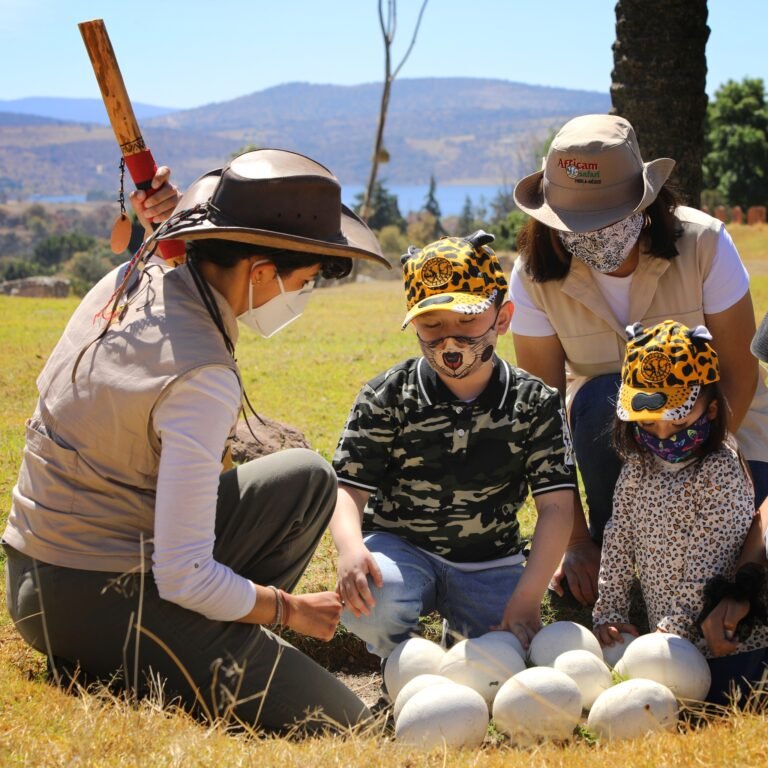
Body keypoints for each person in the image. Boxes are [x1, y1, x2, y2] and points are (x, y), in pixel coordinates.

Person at [2, 148, 390, 733]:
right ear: (260, 272)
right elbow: (184, 574)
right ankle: (170, 649)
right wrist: (288, 610)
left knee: (305, 479)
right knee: (349, 727)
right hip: (92, 594)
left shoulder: (131, 278)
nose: (303, 296)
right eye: (304, 281)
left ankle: (196, 642)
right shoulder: (201, 374)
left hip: (37, 568)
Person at [510, 113, 768, 605]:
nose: (590, 233)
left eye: (605, 218)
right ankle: (617, 539)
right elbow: (541, 416)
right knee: (601, 397)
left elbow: (739, 372)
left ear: (644, 202)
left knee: (741, 559)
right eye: (574, 222)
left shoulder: (706, 243)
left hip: (727, 434)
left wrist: (699, 466)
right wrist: (575, 541)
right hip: (615, 442)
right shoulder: (531, 276)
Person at [330, 231, 576, 659]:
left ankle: (460, 636)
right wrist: (350, 548)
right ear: (413, 323)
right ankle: (398, 661)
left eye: (467, 321)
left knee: (509, 653)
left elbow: (557, 507)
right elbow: (346, 487)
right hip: (399, 550)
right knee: (373, 602)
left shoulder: (536, 402)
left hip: (490, 562)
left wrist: (527, 598)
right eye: (432, 324)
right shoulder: (387, 395)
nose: (450, 339)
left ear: (502, 318)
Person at [592, 319, 768, 705]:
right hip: (667, 642)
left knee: (722, 706)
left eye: (679, 422)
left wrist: (672, 629)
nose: (662, 436)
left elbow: (710, 563)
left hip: (727, 642)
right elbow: (618, 537)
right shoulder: (637, 466)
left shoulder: (720, 468)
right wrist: (611, 610)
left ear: (711, 409)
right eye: (648, 424)